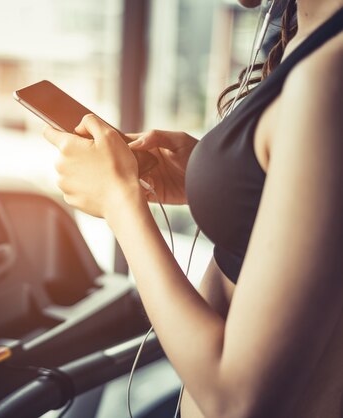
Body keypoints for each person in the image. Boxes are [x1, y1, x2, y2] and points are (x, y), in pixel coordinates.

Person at [42, 0, 343, 417]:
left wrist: (119, 201)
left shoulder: (330, 75)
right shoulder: (303, 34)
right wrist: (231, 181)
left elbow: (236, 399)